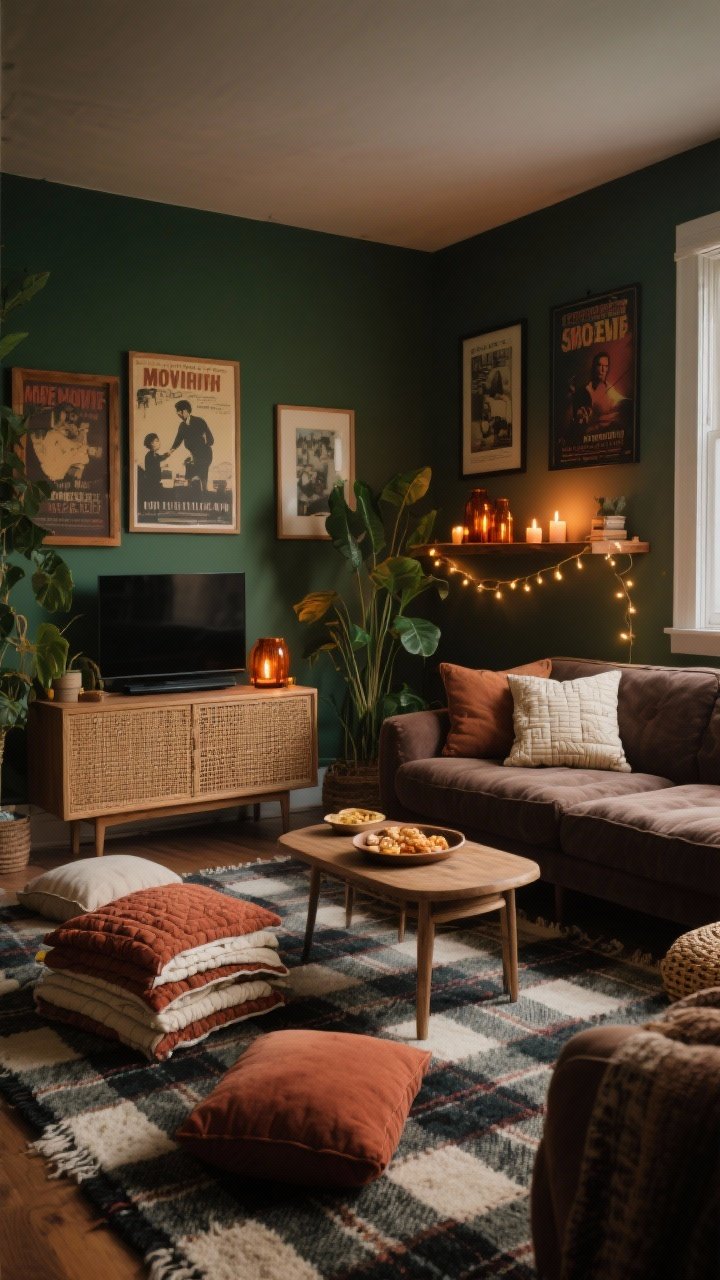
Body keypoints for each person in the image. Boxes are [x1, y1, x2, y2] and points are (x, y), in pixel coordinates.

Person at [169, 400, 214, 489]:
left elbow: (211, 440)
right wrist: (171, 450)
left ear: (185, 411)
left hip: (204, 454)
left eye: (179, 411)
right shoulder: (182, 426)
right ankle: (191, 491)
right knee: (189, 475)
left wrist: (203, 443)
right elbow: (178, 439)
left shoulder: (199, 421)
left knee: (202, 476)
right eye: (177, 412)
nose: (178, 414)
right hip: (194, 455)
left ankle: (204, 492)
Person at [573, 351, 623, 429]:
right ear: (594, 367)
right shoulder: (583, 391)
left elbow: (621, 402)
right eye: (599, 365)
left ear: (607, 369)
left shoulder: (610, 389)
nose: (602, 369)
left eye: (605, 366)